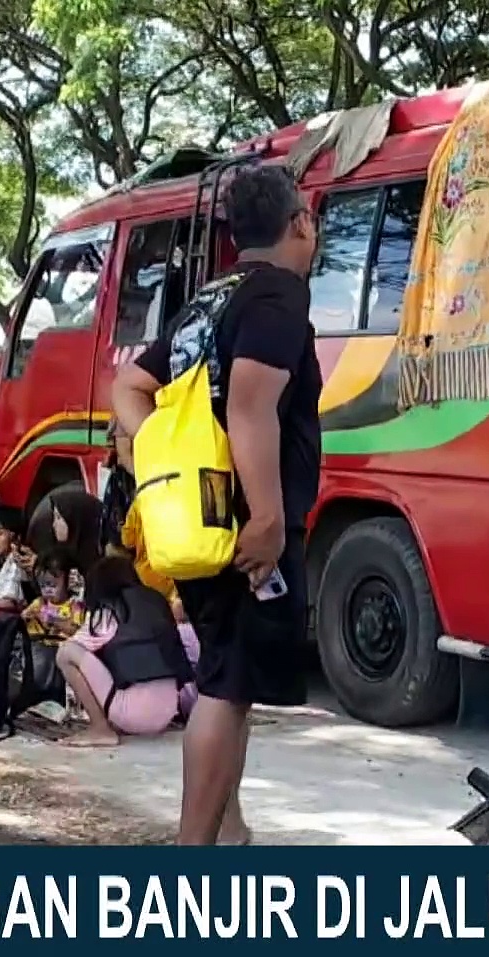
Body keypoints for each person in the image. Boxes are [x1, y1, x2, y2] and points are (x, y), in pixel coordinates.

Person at [111, 163, 323, 846]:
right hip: (243, 528)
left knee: (230, 678)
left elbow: (129, 387)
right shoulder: (279, 297)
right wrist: (264, 519)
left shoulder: (213, 297)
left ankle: (230, 831)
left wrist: (163, 459)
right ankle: (192, 859)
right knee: (226, 691)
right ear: (300, 223)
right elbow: (251, 407)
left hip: (199, 523)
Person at [57, 555, 199, 748]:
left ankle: (100, 729)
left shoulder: (111, 608)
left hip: (132, 712)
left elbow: (78, 644)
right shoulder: (156, 601)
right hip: (167, 710)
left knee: (66, 653)